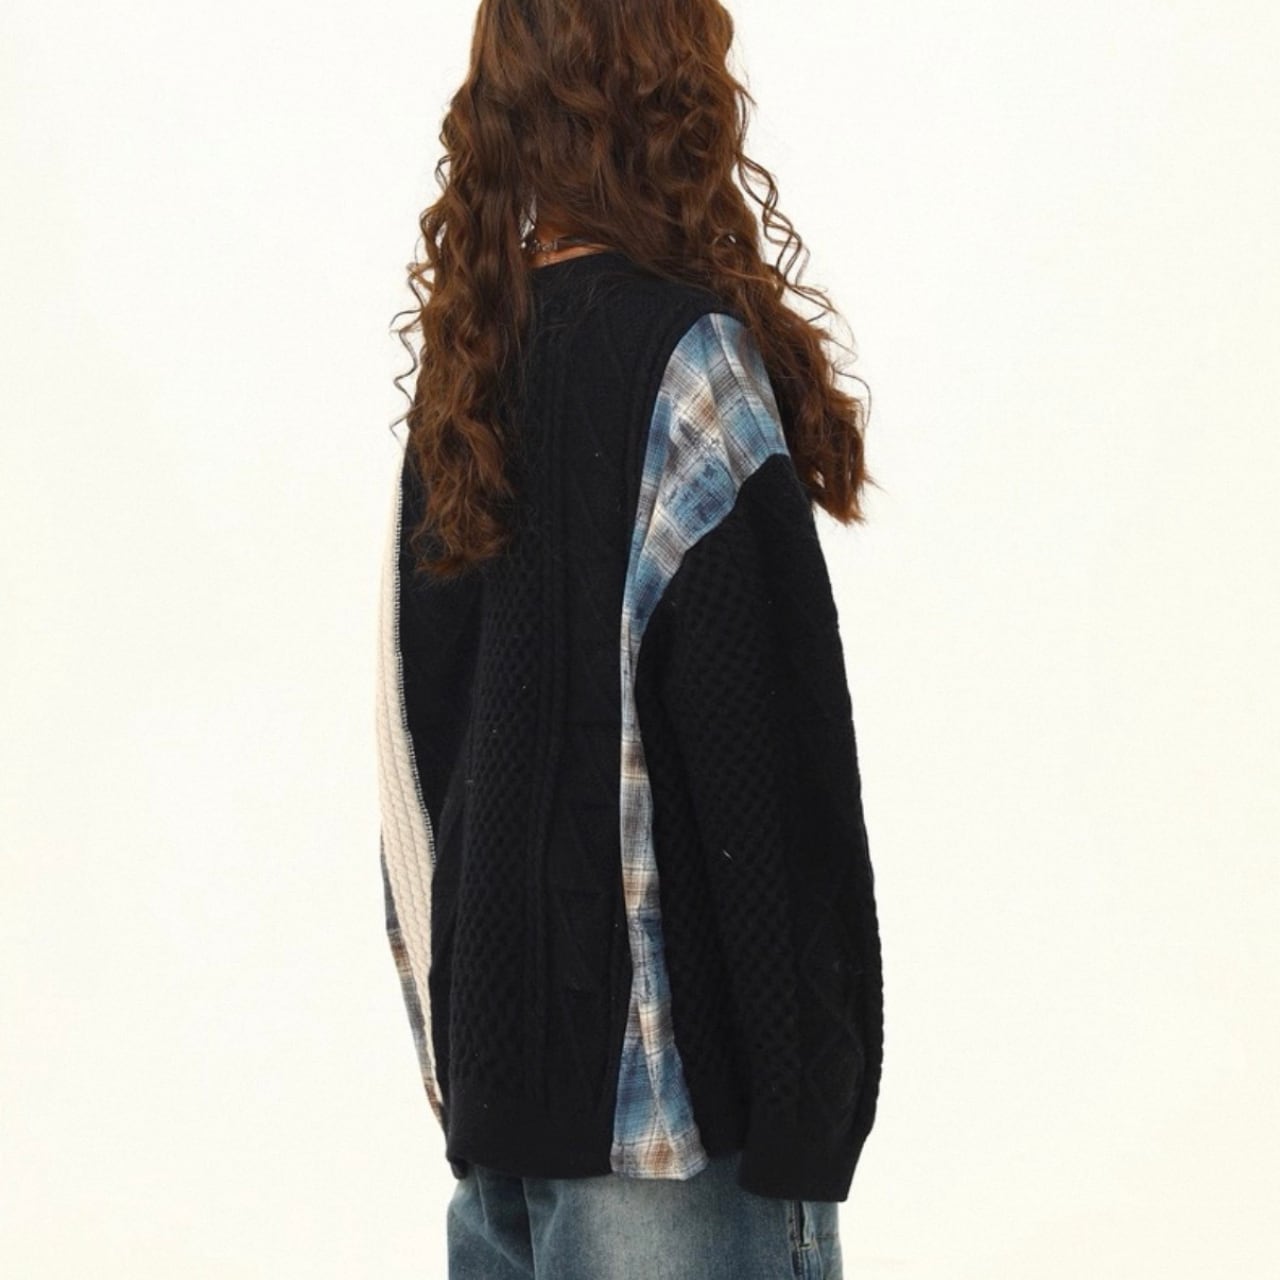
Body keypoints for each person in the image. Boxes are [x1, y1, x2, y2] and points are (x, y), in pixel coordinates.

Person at [373, 2, 884, 1276]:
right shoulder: (687, 363)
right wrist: (809, 1111)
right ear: (674, 96)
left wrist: (456, 1055)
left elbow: (408, 756)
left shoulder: (465, 377)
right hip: (675, 1147)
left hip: (500, 1122)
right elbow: (766, 777)